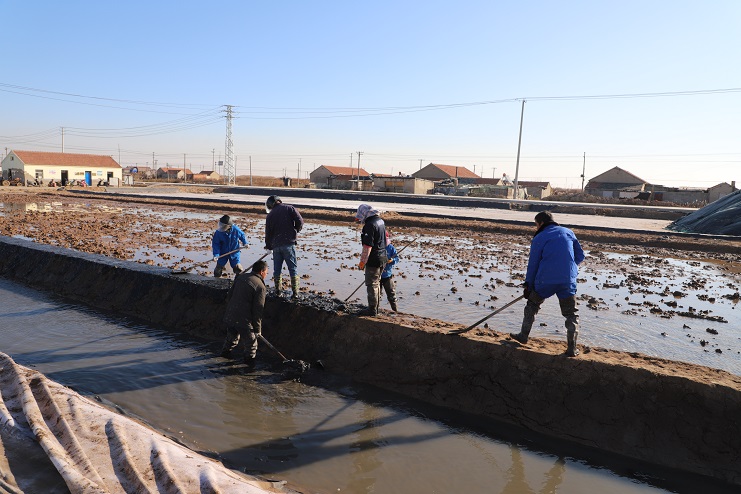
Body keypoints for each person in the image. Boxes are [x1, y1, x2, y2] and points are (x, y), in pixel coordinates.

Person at [510, 211, 585, 357]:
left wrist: (528, 285)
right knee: (571, 314)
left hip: (545, 280)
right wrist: (568, 268)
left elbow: (533, 264)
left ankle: (523, 336)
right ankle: (572, 348)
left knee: (532, 305)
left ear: (541, 223)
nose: (536, 227)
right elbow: (580, 256)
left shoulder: (540, 237)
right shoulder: (568, 232)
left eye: (536, 224)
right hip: (567, 280)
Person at [220, 260, 269, 368]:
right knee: (251, 345)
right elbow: (258, 310)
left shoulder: (241, 277)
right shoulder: (260, 286)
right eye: (266, 272)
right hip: (244, 320)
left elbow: (229, 296)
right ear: (261, 272)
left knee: (231, 340)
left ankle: (223, 358)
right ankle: (249, 368)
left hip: (231, 315)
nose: (266, 274)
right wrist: (257, 329)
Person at [265, 195, 304, 299]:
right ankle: (295, 293)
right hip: (288, 244)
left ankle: (278, 292)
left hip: (276, 246)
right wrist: (295, 230)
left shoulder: (270, 216)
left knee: (277, 270)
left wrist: (268, 247)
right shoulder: (289, 208)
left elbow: (268, 233)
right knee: (293, 269)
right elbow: (300, 221)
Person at [355, 204, 387, 316]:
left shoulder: (370, 225)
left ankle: (372, 310)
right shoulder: (380, 221)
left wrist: (362, 262)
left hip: (374, 259)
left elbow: (367, 246)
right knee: (376, 283)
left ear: (364, 213)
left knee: (371, 284)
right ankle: (375, 308)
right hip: (383, 257)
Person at [380, 232, 399, 312]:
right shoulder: (376, 247)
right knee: (376, 294)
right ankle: (374, 310)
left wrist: (392, 260)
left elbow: (397, 258)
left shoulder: (391, 248)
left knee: (391, 295)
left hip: (387, 275)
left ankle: (395, 310)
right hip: (377, 275)